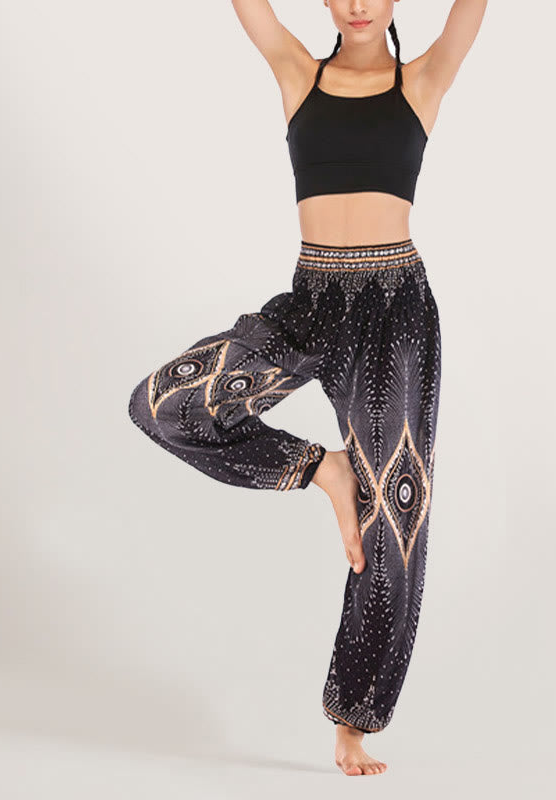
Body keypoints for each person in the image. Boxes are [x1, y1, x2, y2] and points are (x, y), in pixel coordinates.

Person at [128, 0, 487, 777]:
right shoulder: (298, 72)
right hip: (312, 302)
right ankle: (323, 469)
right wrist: (319, 463)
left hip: (396, 311)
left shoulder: (423, 80)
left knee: (398, 513)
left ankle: (354, 722)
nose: (357, 4)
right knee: (163, 404)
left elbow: (470, 15)